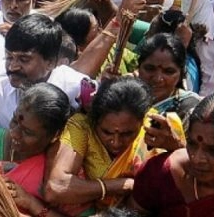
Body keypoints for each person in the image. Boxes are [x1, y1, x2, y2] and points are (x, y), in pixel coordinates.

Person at [45, 78, 154, 212]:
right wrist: (119, 185)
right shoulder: (82, 127)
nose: (116, 142)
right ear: (94, 120)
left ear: (142, 121)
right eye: (106, 132)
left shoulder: (153, 129)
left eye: (127, 134)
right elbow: (56, 188)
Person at [0, 83, 72, 217]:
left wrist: (31, 203)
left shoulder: (58, 174)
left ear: (55, 135)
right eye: (15, 121)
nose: (14, 134)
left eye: (28, 132)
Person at [136, 33, 201, 126]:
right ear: (138, 68)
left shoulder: (191, 109)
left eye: (169, 71)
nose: (158, 79)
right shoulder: (126, 98)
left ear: (181, 74)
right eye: (150, 68)